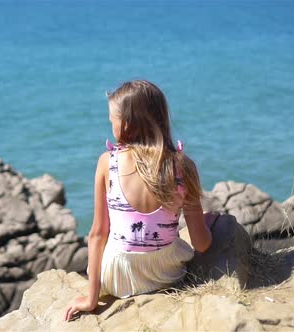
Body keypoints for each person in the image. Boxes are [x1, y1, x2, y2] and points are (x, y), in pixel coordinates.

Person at [64, 80, 214, 322]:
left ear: (125, 124)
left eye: (111, 119)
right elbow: (201, 244)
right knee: (221, 223)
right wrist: (209, 224)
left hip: (115, 277)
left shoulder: (107, 163)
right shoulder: (183, 167)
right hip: (166, 273)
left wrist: (91, 299)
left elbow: (97, 234)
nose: (110, 124)